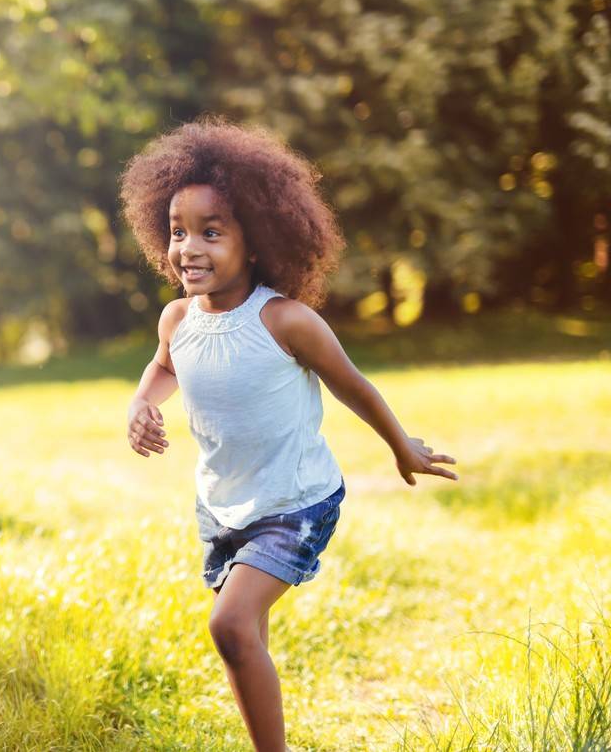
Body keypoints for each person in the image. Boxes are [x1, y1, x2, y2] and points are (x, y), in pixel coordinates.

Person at [119, 116, 459, 752]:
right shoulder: (177, 319)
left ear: (257, 242)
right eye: (177, 232)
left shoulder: (286, 320)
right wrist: (142, 401)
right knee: (248, 636)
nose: (188, 248)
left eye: (210, 233)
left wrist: (400, 446)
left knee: (229, 626)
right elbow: (165, 366)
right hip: (223, 506)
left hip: (295, 501)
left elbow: (352, 384)